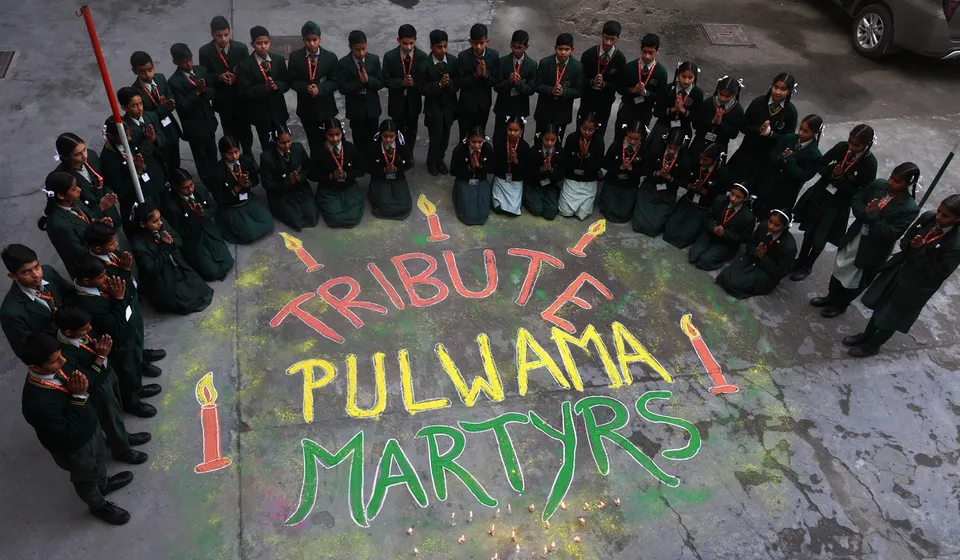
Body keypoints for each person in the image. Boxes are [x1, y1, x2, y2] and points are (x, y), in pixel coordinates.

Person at [19, 333, 133, 525]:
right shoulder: (36, 403)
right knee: (86, 478)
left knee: (100, 458)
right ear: (34, 367)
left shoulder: (58, 368)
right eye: (55, 361)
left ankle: (104, 485)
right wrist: (79, 397)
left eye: (61, 355)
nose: (63, 361)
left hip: (89, 426)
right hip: (75, 447)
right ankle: (98, 505)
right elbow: (65, 433)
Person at [847, 195, 960, 357]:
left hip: (916, 284)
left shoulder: (955, 244)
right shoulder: (928, 218)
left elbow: (938, 273)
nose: (938, 217)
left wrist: (920, 251)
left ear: (957, 219)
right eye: (939, 211)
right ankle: (867, 335)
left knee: (893, 316)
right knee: (881, 304)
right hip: (900, 270)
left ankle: (873, 345)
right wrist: (911, 247)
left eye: (945, 215)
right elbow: (906, 240)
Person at [810, 163, 921, 318]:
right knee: (841, 266)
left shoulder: (909, 208)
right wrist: (864, 213)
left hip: (872, 248)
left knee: (855, 278)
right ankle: (830, 296)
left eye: (897, 181)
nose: (891, 182)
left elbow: (891, 233)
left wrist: (872, 215)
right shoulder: (879, 185)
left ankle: (840, 305)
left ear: (908, 184)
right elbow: (857, 198)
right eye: (891, 178)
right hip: (855, 235)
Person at [54, 305, 150, 463]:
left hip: (107, 374)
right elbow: (85, 382)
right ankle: (122, 450)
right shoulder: (64, 355)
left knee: (117, 408)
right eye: (85, 329)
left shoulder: (82, 332)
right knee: (110, 417)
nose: (90, 329)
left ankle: (124, 435)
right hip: (98, 388)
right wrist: (100, 358)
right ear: (69, 332)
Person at [71, 254, 161, 417]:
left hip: (128, 334)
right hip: (117, 343)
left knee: (133, 367)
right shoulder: (86, 303)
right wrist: (119, 298)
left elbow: (129, 295)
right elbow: (115, 325)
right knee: (126, 374)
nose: (105, 279)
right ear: (86, 281)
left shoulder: (100, 286)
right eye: (100, 277)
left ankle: (138, 388)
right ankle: (131, 402)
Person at [792, 124, 878, 280]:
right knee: (810, 229)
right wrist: (830, 173)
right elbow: (820, 163)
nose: (851, 147)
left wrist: (842, 181)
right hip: (821, 194)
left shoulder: (869, 164)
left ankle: (808, 265)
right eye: (850, 142)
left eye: (856, 145)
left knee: (821, 236)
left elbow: (864, 191)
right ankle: (800, 259)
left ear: (867, 145)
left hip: (839, 203)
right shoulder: (841, 147)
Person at [82, 223, 166, 378]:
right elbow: (117, 289)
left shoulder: (111, 253)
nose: (116, 244)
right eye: (112, 243)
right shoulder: (96, 269)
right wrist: (125, 271)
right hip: (121, 306)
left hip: (130, 302)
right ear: (98, 249)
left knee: (137, 330)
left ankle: (141, 353)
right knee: (129, 340)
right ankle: (139, 364)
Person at [130, 203, 214, 314]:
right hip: (161, 276)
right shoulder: (138, 244)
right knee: (185, 301)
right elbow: (151, 269)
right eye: (154, 222)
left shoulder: (163, 223)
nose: (160, 223)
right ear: (142, 224)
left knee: (201, 288)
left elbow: (178, 239)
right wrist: (165, 249)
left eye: (159, 219)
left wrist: (172, 243)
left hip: (175, 263)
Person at [1, 244, 72, 360]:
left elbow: (71, 295)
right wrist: (60, 322)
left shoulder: (48, 272)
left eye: (37, 266)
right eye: (26, 272)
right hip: (60, 357)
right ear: (13, 276)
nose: (36, 275)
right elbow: (27, 351)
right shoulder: (11, 312)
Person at [161, 169, 235, 281]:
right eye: (185, 188)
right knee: (212, 272)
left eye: (191, 185)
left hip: (208, 231)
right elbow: (178, 231)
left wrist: (203, 214)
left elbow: (214, 207)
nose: (190, 189)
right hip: (192, 239)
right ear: (176, 188)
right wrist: (194, 218)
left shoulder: (200, 189)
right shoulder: (172, 206)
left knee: (228, 262)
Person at [726, 73, 799, 186]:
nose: (777, 92)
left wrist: (771, 134)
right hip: (746, 153)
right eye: (776, 87)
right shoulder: (759, 103)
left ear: (789, 91)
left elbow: (788, 139)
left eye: (783, 89)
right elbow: (743, 125)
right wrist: (757, 130)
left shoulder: (791, 112)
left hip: (767, 161)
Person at [37, 172, 109, 279]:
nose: (79, 190)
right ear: (61, 195)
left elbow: (90, 217)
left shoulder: (74, 201)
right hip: (90, 272)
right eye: (74, 189)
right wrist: (101, 239)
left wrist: (99, 225)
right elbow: (79, 254)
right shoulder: (58, 225)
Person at [752, 114, 824, 221]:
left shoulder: (815, 155)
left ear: (814, 133)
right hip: (769, 185)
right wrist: (781, 156)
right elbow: (772, 154)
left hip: (785, 194)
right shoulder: (789, 138)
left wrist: (789, 160)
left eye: (806, 131)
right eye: (801, 129)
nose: (801, 133)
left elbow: (802, 176)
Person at [199, 16, 253, 154]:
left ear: (230, 32)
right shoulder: (205, 52)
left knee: (245, 131)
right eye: (219, 36)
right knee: (229, 131)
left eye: (226, 35)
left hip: (241, 98)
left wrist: (237, 76)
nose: (223, 39)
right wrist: (219, 77)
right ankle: (234, 156)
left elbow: (247, 70)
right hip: (223, 100)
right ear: (212, 35)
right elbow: (205, 74)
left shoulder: (241, 48)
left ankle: (248, 156)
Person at [205, 136, 274, 243]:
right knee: (248, 232)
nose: (234, 157)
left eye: (236, 152)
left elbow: (255, 179)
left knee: (267, 221)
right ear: (223, 154)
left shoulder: (245, 160)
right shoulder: (217, 172)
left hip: (247, 199)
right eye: (230, 154)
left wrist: (247, 185)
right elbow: (219, 198)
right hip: (231, 206)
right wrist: (237, 187)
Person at [716, 209, 798, 299]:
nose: (770, 226)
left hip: (767, 272)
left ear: (785, 227)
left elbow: (781, 272)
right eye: (770, 221)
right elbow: (750, 243)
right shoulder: (763, 226)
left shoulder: (789, 247)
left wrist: (762, 257)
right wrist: (755, 252)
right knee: (725, 275)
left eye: (777, 225)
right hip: (752, 258)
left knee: (735, 284)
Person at [54, 133, 125, 233]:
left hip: (111, 214)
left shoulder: (91, 156)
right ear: (66, 157)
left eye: (84, 150)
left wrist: (109, 194)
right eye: (78, 154)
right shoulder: (62, 178)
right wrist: (100, 207)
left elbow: (103, 179)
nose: (84, 156)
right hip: (93, 226)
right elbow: (73, 208)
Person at [663, 143, 730, 248]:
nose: (701, 162)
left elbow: (721, 198)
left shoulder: (722, 173)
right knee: (669, 231)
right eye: (701, 158)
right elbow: (683, 179)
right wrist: (690, 186)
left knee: (684, 238)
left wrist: (707, 193)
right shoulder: (695, 163)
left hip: (703, 208)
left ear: (715, 160)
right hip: (688, 201)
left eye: (705, 160)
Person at [289, 21, 340, 156]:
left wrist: (321, 88)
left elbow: (335, 81)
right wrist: (306, 88)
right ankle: (316, 166)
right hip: (307, 108)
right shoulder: (295, 57)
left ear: (320, 39)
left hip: (326, 108)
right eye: (308, 40)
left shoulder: (330, 58)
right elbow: (292, 81)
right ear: (303, 40)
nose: (311, 44)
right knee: (313, 140)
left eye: (314, 40)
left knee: (330, 139)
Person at [169, 43, 219, 179]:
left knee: (212, 152)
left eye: (190, 60)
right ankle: (206, 180)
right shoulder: (174, 82)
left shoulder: (201, 71)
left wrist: (204, 91)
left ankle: (217, 176)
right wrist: (196, 92)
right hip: (194, 129)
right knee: (201, 158)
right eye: (185, 62)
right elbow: (182, 105)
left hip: (208, 122)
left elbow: (213, 92)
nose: (189, 64)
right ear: (176, 62)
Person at [237, 26, 290, 151]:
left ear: (270, 42)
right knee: (267, 145)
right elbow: (244, 91)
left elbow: (286, 82)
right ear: (252, 44)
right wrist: (263, 88)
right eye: (259, 43)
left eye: (266, 43)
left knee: (284, 142)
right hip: (260, 115)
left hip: (278, 111)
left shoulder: (278, 60)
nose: (263, 46)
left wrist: (278, 86)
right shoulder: (245, 65)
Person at [259, 126, 319, 231]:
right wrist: (287, 181)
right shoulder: (266, 157)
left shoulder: (298, 148)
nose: (287, 146)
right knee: (297, 222)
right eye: (282, 143)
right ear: (275, 142)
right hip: (281, 192)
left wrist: (300, 177)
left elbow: (308, 168)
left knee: (312, 218)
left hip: (300, 187)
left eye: (289, 141)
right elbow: (266, 183)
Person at [99, 118, 161, 219]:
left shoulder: (127, 143)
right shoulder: (109, 159)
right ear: (111, 136)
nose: (129, 138)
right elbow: (122, 191)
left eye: (128, 134)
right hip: (135, 202)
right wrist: (136, 171)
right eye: (125, 136)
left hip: (149, 191)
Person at [130, 51, 181, 172]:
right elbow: (145, 116)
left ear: (153, 66)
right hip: (157, 131)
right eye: (142, 71)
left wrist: (170, 103)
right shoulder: (135, 92)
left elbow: (170, 94)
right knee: (165, 161)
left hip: (170, 126)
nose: (148, 74)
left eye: (150, 69)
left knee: (176, 156)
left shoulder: (160, 78)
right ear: (135, 71)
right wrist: (162, 108)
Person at [382, 24, 427, 162]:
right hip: (397, 102)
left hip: (413, 101)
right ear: (398, 40)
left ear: (416, 40)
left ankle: (409, 153)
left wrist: (414, 83)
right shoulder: (390, 57)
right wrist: (401, 83)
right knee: (397, 130)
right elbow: (385, 80)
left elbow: (425, 80)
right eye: (404, 43)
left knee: (412, 130)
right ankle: (398, 153)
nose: (408, 47)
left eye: (411, 43)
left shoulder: (422, 56)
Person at [632, 128, 688, 236]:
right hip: (650, 186)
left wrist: (670, 178)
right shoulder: (656, 151)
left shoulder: (685, 159)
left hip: (667, 192)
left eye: (675, 149)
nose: (672, 151)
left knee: (654, 227)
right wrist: (656, 173)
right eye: (670, 147)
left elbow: (683, 182)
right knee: (639, 223)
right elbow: (644, 170)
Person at [338, 30, 383, 165]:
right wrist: (358, 83)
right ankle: (361, 162)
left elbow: (380, 82)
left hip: (372, 107)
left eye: (363, 49)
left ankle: (373, 161)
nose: (361, 53)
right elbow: (342, 88)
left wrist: (368, 81)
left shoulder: (374, 59)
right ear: (350, 48)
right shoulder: (344, 64)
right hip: (356, 109)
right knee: (359, 138)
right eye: (357, 50)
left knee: (374, 136)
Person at [688, 183, 756, 271]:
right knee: (693, 255)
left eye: (738, 197)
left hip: (727, 243)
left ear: (745, 198)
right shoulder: (720, 200)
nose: (733, 198)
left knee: (704, 261)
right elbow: (708, 217)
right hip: (711, 233)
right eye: (732, 194)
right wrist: (713, 227)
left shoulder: (749, 217)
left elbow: (742, 239)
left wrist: (724, 234)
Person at [313, 118, 366, 228]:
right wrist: (331, 176)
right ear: (325, 134)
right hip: (329, 189)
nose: (335, 139)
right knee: (334, 216)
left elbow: (361, 170)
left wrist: (347, 175)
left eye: (338, 134)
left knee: (353, 215)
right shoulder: (318, 151)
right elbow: (312, 175)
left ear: (342, 133)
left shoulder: (350, 148)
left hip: (348, 186)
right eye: (330, 135)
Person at [420, 29, 459, 176]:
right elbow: (422, 88)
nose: (442, 50)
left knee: (445, 137)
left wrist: (450, 84)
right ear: (431, 47)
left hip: (448, 108)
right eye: (438, 47)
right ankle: (431, 162)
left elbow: (458, 83)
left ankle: (441, 160)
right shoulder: (425, 65)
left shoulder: (453, 62)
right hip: (433, 109)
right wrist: (438, 85)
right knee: (435, 138)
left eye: (445, 46)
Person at [118, 87, 170, 197]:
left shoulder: (150, 116)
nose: (140, 108)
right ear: (124, 107)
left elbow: (163, 137)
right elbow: (132, 152)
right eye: (134, 105)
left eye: (141, 103)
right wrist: (147, 141)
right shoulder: (124, 128)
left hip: (159, 162)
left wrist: (155, 139)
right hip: (145, 168)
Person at [578, 21, 626, 134]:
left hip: (605, 102)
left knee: (599, 132)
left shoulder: (620, 59)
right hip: (587, 99)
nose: (608, 42)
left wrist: (604, 84)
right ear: (601, 34)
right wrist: (591, 82)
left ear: (618, 38)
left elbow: (619, 85)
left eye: (612, 39)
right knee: (581, 129)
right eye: (606, 38)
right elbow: (580, 79)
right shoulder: (588, 55)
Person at [534, 33, 584, 141]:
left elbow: (579, 90)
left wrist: (564, 92)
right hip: (544, 111)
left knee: (557, 142)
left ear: (572, 49)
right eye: (560, 49)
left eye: (567, 49)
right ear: (555, 48)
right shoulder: (545, 63)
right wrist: (550, 90)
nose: (563, 52)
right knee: (539, 140)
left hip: (562, 113)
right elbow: (537, 85)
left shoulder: (577, 67)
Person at [455, 24, 499, 144]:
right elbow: (459, 83)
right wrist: (474, 76)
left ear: (487, 42)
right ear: (470, 42)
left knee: (479, 138)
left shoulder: (493, 56)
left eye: (481, 43)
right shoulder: (463, 57)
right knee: (464, 138)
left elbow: (495, 81)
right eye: (475, 43)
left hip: (483, 105)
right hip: (466, 106)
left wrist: (485, 75)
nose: (478, 47)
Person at [615, 33, 668, 133]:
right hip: (627, 108)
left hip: (645, 111)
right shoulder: (629, 67)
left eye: (651, 52)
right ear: (640, 49)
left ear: (657, 51)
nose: (647, 56)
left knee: (639, 141)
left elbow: (661, 97)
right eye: (644, 52)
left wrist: (646, 93)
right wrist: (632, 90)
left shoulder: (661, 73)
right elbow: (619, 88)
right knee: (620, 137)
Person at [492, 30, 537, 147]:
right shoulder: (502, 62)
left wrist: (520, 83)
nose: (516, 50)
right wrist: (508, 82)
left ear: (526, 47)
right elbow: (496, 86)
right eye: (513, 47)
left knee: (516, 139)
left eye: (519, 47)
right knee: (499, 137)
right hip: (503, 107)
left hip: (520, 108)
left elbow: (531, 90)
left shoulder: (531, 65)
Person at [558, 113, 604, 220]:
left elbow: (598, 166)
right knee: (565, 211)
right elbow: (566, 162)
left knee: (583, 213)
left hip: (588, 180)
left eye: (590, 130)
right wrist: (579, 155)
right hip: (572, 177)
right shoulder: (572, 138)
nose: (587, 133)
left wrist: (587, 155)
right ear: (579, 126)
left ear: (595, 129)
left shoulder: (598, 141)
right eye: (584, 129)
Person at [598, 121, 645, 223]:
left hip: (630, 185)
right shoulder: (617, 144)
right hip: (613, 181)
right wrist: (619, 167)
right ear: (626, 133)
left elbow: (645, 171)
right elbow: (605, 163)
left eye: (636, 139)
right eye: (630, 138)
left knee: (623, 214)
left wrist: (632, 169)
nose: (632, 142)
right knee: (610, 210)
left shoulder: (644, 149)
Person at [648, 61, 703, 146]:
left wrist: (683, 111)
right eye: (683, 76)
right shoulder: (667, 89)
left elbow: (696, 119)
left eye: (690, 78)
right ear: (678, 75)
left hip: (683, 127)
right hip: (664, 123)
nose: (686, 81)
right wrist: (672, 109)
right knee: (655, 148)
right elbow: (656, 112)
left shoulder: (697, 94)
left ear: (695, 77)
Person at [367, 119, 413, 220]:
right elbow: (368, 167)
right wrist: (383, 170)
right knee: (384, 204)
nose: (388, 140)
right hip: (380, 179)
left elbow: (409, 163)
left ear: (396, 135)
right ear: (380, 135)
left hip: (398, 178)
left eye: (391, 137)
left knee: (404, 205)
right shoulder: (373, 147)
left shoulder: (402, 146)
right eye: (385, 136)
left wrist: (397, 168)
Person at [689, 76, 744, 155]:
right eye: (721, 94)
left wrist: (720, 124)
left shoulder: (737, 110)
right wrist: (712, 121)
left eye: (727, 96)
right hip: (700, 142)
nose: (723, 98)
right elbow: (695, 124)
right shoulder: (708, 103)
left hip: (719, 146)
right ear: (718, 90)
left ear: (734, 95)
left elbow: (733, 134)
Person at [451, 126, 494, 225]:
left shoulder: (487, 148)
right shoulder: (459, 150)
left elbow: (491, 169)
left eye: (480, 142)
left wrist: (480, 166)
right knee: (467, 207)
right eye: (473, 142)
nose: (477, 145)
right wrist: (469, 168)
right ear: (468, 139)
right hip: (464, 179)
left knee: (482, 207)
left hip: (480, 178)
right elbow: (453, 171)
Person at [491, 116, 532, 216]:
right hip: (501, 178)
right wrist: (507, 161)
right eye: (510, 130)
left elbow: (526, 170)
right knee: (498, 207)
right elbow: (494, 167)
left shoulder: (524, 146)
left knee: (513, 210)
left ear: (521, 131)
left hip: (516, 180)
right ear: (506, 129)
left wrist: (516, 162)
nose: (512, 133)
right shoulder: (500, 143)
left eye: (516, 130)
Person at [523, 125, 565, 220]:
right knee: (537, 209)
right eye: (546, 140)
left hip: (549, 184)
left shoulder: (560, 152)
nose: (549, 143)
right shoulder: (533, 150)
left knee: (550, 213)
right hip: (533, 184)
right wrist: (541, 170)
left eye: (553, 140)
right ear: (541, 137)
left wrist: (551, 170)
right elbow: (528, 174)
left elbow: (560, 176)